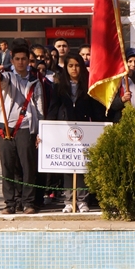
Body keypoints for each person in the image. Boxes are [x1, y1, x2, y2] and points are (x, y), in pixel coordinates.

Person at [0, 44, 45, 214]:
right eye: (17, 59)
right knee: (7, 167)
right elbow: (1, 81)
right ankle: (10, 202)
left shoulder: (35, 81)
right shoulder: (7, 76)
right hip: (6, 127)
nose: (21, 62)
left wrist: (39, 131)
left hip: (26, 127)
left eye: (24, 59)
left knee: (27, 167)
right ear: (12, 60)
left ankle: (28, 202)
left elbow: (40, 107)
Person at [48, 53, 105, 212]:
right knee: (68, 166)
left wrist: (102, 128)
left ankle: (82, 200)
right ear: (66, 68)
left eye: (77, 65)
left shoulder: (88, 85)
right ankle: (68, 200)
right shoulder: (59, 86)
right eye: (71, 66)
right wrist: (48, 130)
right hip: (63, 129)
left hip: (84, 128)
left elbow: (96, 110)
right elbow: (53, 108)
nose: (74, 69)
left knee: (81, 165)